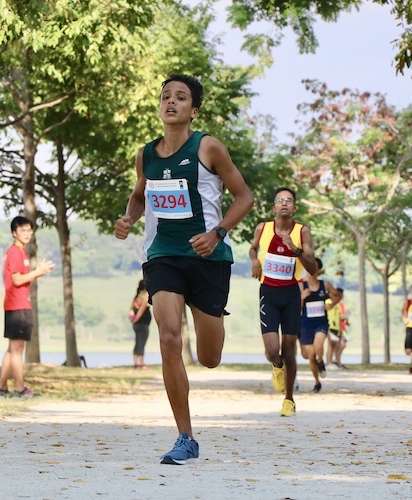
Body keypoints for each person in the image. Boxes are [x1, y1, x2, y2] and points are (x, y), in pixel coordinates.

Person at [114, 74, 253, 464]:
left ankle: (213, 324)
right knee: (169, 337)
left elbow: (245, 197)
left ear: (194, 110)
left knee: (209, 357)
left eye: (180, 97)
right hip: (162, 256)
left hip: (208, 260)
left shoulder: (208, 147)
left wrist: (218, 233)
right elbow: (140, 195)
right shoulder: (146, 154)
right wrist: (127, 218)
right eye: (165, 97)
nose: (170, 102)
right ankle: (185, 437)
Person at [249, 187, 317, 417]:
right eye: (280, 200)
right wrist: (254, 261)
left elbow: (313, 267)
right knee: (272, 350)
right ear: (274, 207)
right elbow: (252, 248)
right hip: (268, 292)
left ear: (294, 207)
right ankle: (276, 366)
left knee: (289, 350)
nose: (284, 203)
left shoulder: (302, 231)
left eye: (289, 200)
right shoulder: (263, 228)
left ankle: (289, 399)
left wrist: (295, 250)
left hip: (291, 294)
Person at [0, 216, 55, 400]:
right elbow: (17, 279)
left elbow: (21, 278)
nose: (27, 233)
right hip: (17, 305)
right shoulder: (15, 252)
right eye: (23, 230)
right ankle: (20, 390)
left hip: (16, 304)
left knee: (11, 349)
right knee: (17, 350)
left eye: (30, 230)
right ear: (14, 233)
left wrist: (35, 272)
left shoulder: (21, 251)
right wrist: (39, 272)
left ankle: (2, 388)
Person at [299, 258, 340, 393]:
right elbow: (294, 307)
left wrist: (332, 304)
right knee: (310, 356)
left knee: (319, 344)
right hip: (306, 323)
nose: (311, 270)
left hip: (321, 322)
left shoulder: (325, 284)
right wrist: (302, 298)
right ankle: (317, 382)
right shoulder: (301, 285)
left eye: (314, 267)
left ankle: (321, 360)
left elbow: (337, 295)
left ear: (318, 270)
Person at [129, 279, 152, 369]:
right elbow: (141, 310)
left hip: (136, 325)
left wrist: (132, 318)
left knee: (137, 342)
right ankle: (141, 363)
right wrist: (137, 319)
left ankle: (135, 362)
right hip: (143, 323)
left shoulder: (136, 297)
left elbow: (131, 309)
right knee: (142, 342)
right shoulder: (144, 297)